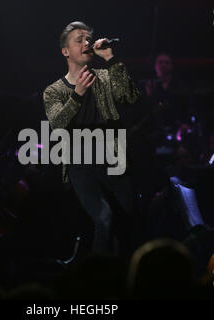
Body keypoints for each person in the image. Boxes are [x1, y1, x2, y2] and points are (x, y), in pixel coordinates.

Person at [43, 21, 141, 258]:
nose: (87, 42)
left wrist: (111, 59)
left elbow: (131, 98)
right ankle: (97, 275)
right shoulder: (54, 91)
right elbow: (57, 124)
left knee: (127, 223)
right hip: (80, 165)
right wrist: (76, 95)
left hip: (113, 161)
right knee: (103, 218)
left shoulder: (105, 78)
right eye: (79, 39)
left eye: (89, 38)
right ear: (65, 51)